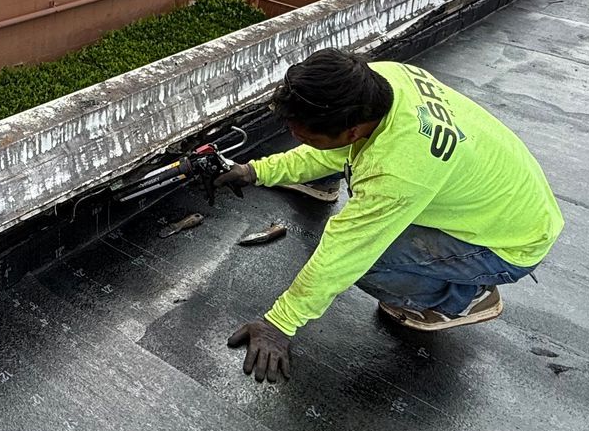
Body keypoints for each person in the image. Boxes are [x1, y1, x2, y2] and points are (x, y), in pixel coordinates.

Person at [219, 49, 563, 383]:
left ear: (351, 131)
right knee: (371, 218)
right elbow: (336, 153)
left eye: (306, 136)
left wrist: (280, 324)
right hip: (505, 199)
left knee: (369, 263)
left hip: (511, 242)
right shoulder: (381, 81)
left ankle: (465, 298)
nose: (298, 138)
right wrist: (255, 171)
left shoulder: (398, 170)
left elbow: (348, 250)